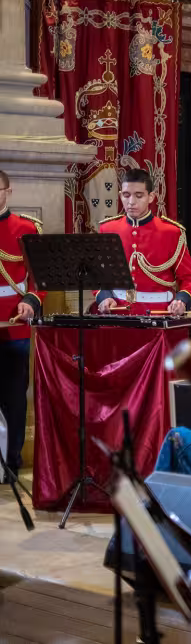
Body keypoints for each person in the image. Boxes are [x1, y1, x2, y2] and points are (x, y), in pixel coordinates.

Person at [95, 169, 191, 315]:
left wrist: (181, 300)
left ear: (151, 197)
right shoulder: (108, 229)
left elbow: (190, 279)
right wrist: (104, 297)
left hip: (160, 313)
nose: (131, 202)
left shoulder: (171, 232)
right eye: (126, 195)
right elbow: (97, 275)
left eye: (139, 196)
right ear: (120, 196)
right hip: (117, 312)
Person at [0, 171, 44, 480]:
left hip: (14, 323)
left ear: (8, 191)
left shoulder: (26, 228)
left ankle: (11, 462)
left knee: (14, 397)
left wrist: (30, 300)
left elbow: (39, 277)